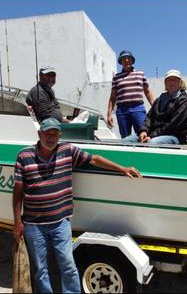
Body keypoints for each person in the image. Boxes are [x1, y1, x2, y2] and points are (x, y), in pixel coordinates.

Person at [12, 117, 142, 293]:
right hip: (34, 225)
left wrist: (123, 168)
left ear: (60, 135)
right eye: (47, 134)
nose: (51, 138)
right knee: (40, 269)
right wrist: (18, 223)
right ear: (39, 134)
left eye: (55, 134)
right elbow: (18, 191)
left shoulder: (67, 150)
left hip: (60, 222)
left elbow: (94, 159)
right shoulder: (24, 156)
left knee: (68, 265)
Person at [123, 69, 187, 145]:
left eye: (175, 80)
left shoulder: (185, 102)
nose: (172, 82)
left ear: (180, 83)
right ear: (165, 83)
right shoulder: (159, 100)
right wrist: (144, 131)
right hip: (153, 134)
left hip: (175, 136)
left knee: (152, 143)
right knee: (125, 141)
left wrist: (153, 136)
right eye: (169, 80)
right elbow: (149, 117)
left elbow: (173, 125)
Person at [107, 50, 155, 138]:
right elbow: (112, 97)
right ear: (120, 62)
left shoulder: (140, 74)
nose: (126, 60)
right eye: (123, 59)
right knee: (125, 138)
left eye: (128, 58)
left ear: (132, 60)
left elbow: (147, 91)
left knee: (143, 134)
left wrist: (154, 107)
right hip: (122, 110)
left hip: (138, 108)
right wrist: (109, 114)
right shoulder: (116, 77)